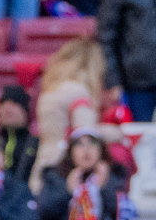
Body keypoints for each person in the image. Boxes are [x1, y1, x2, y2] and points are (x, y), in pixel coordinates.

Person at [32, 37, 106, 179]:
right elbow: (85, 134)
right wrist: (114, 133)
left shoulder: (51, 91)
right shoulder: (79, 91)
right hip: (64, 167)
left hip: (44, 158)